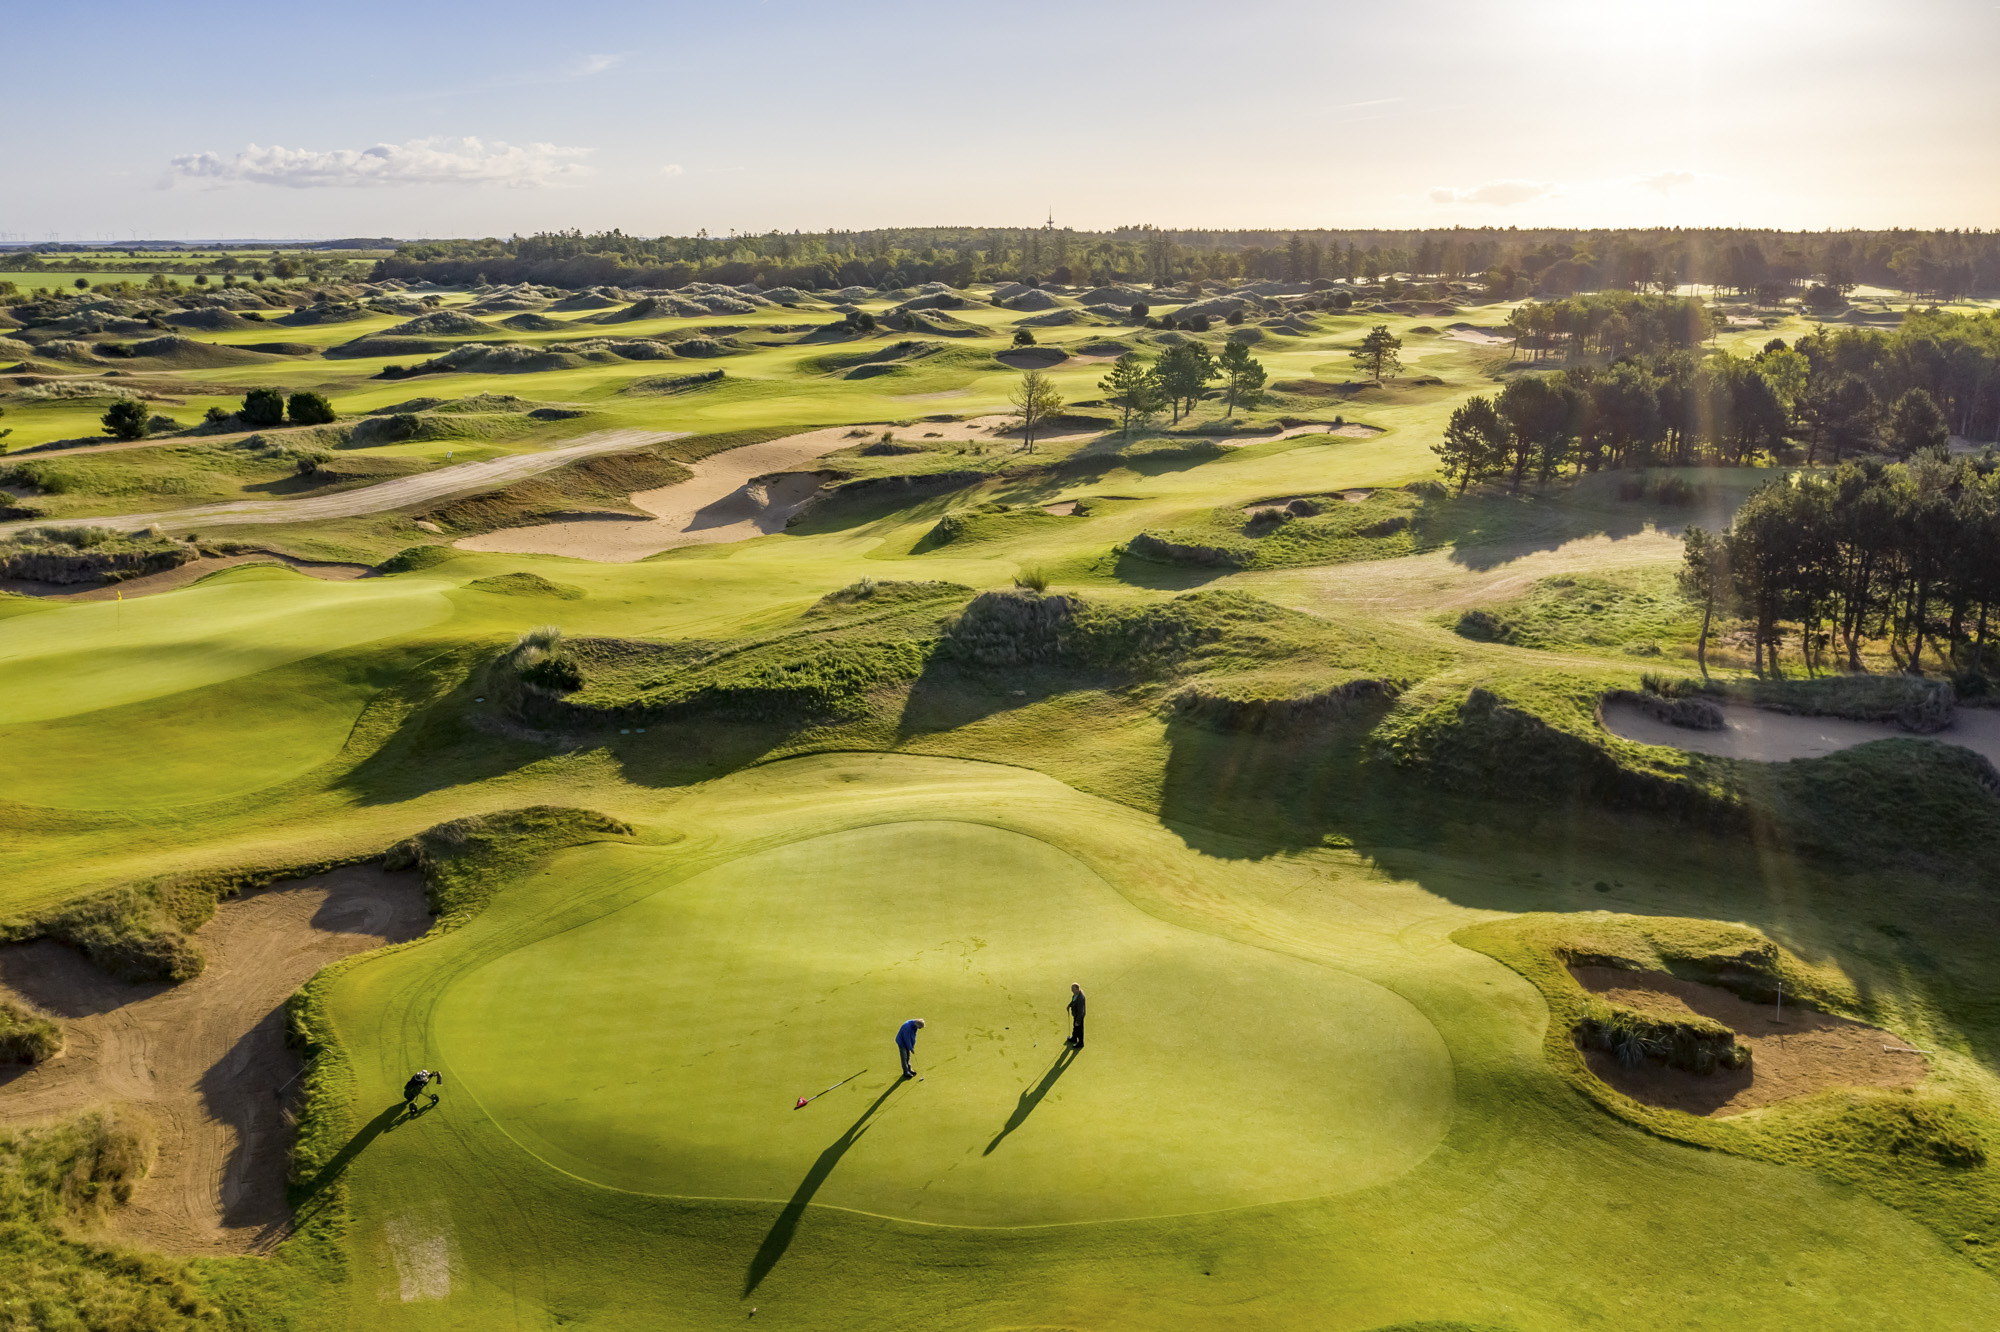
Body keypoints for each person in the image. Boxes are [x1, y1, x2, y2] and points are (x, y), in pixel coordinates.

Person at [1066, 983, 1086, 1049]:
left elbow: (1081, 1011)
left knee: (1079, 1030)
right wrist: (1069, 1005)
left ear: (1077, 989)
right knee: (1075, 1027)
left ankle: (1080, 1043)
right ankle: (1074, 1038)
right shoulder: (1076, 994)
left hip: (1079, 1016)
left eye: (1073, 989)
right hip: (1076, 1015)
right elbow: (1073, 1001)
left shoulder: (1080, 998)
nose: (1072, 990)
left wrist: (1078, 1021)